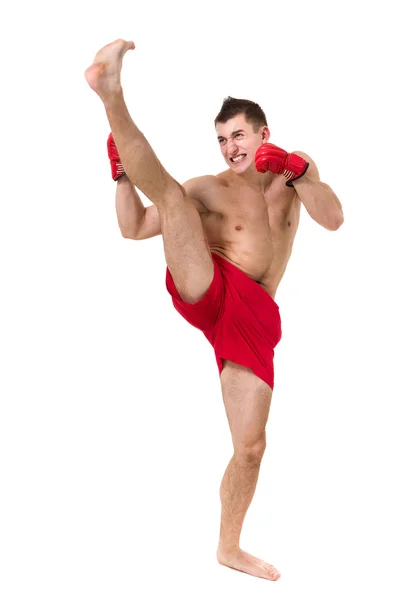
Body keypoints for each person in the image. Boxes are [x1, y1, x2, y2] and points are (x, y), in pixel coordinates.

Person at [85, 38, 344, 582]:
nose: (230, 147)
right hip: (210, 287)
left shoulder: (294, 175)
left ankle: (229, 547)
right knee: (175, 197)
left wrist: (298, 171)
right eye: (223, 139)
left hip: (256, 318)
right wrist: (122, 178)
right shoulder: (211, 188)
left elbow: (334, 217)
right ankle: (111, 93)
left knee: (250, 448)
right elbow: (133, 228)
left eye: (238, 135)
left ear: (263, 134)